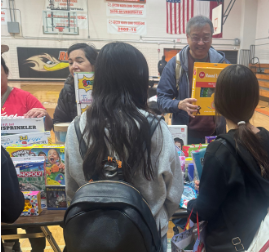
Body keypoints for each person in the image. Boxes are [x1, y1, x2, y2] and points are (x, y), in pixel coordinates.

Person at [65, 42, 183, 241]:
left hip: (92, 237)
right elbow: (173, 192)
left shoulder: (76, 127)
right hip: (147, 235)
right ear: (139, 80)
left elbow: (72, 190)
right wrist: (158, 217)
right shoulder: (156, 127)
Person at [185, 65, 269, 252]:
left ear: (218, 102)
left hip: (228, 250)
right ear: (255, 101)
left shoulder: (220, 150)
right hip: (263, 246)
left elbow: (203, 210)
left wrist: (191, 204)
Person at [157, 16, 230, 144]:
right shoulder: (175, 64)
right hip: (185, 136)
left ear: (212, 37)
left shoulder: (223, 64)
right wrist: (179, 104)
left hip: (217, 134)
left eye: (206, 37)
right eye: (195, 37)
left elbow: (233, 96)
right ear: (187, 37)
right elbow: (161, 99)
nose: (201, 42)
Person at [52, 43, 99, 124]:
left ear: (94, 64)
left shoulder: (108, 88)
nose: (74, 66)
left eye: (79, 61)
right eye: (70, 63)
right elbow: (58, 122)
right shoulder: (67, 90)